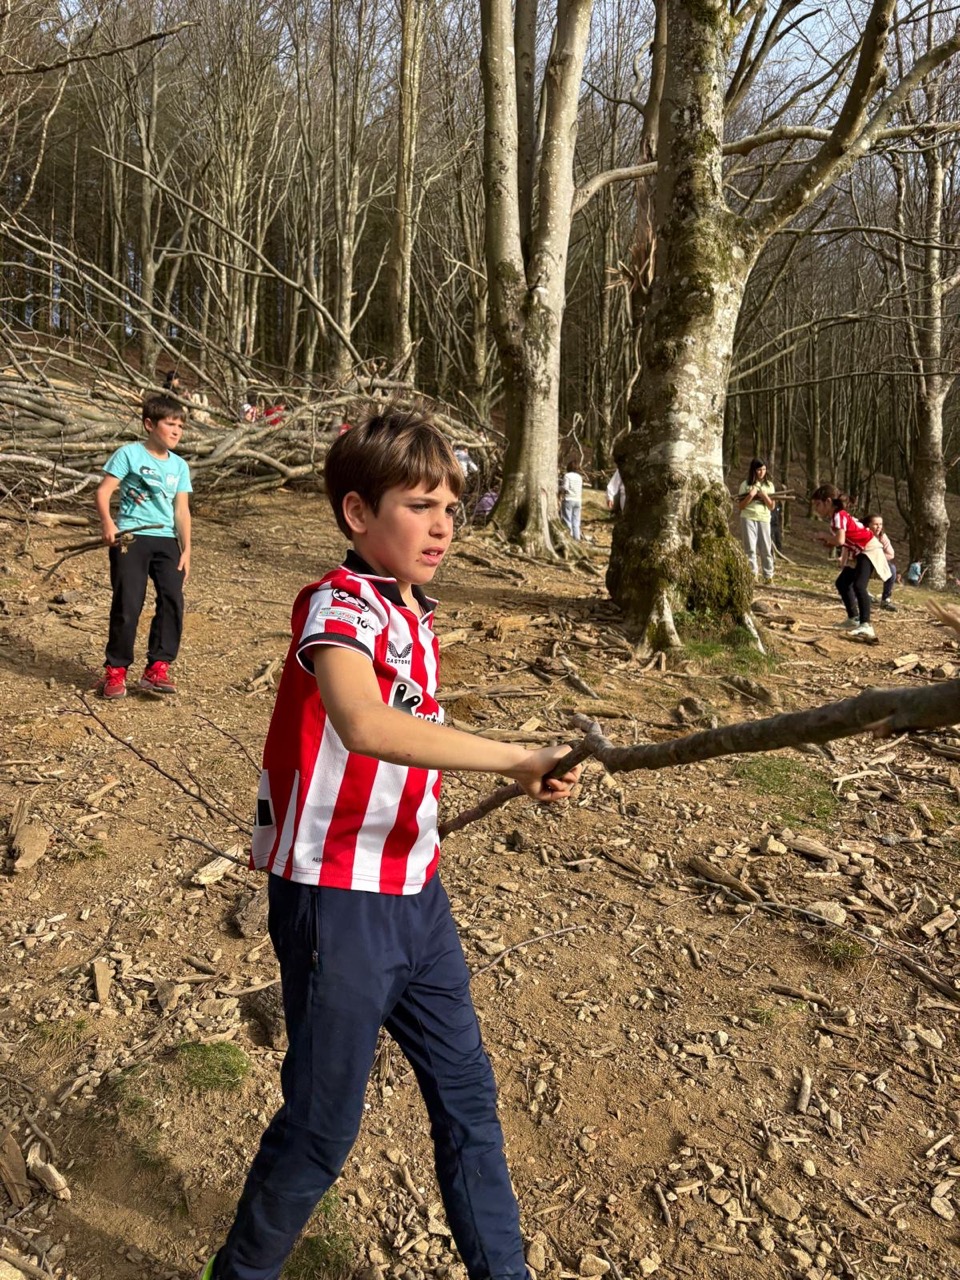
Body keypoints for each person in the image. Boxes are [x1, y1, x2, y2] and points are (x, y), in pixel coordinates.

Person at [198, 406, 581, 1280]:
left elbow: (413, 734)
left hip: (417, 895)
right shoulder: (338, 605)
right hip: (338, 901)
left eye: (451, 506)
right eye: (419, 505)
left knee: (468, 1101)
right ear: (357, 513)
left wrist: (524, 763)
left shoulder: (413, 613)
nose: (443, 525)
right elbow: (364, 724)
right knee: (321, 1128)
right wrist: (515, 758)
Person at [95, 394, 192, 698]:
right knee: (128, 603)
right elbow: (104, 491)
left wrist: (187, 549)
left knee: (172, 600)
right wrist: (108, 523)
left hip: (167, 540)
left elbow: (181, 510)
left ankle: (157, 668)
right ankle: (116, 670)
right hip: (131, 537)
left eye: (180, 426)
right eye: (170, 424)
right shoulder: (129, 454)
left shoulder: (180, 466)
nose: (176, 431)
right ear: (150, 424)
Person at [810, 484, 891, 641]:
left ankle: (866, 625)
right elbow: (844, 539)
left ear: (828, 502)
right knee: (842, 582)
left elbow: (840, 540)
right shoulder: (837, 516)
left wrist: (824, 536)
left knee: (859, 586)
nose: (816, 509)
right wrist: (829, 541)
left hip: (868, 549)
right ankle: (853, 618)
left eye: (818, 504)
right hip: (858, 551)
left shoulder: (838, 516)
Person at [737, 458, 776, 584]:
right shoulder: (745, 485)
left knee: (765, 548)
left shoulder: (769, 485)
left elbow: (772, 506)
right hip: (748, 517)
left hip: (764, 518)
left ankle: (768, 576)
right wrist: (751, 495)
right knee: (750, 548)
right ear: (753, 470)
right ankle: (752, 575)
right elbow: (741, 506)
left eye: (764, 469)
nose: (762, 472)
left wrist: (764, 496)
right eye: (759, 469)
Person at [866, 514, 897, 611]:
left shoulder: (882, 537)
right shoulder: (862, 533)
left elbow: (891, 554)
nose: (878, 527)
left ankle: (886, 599)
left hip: (878, 563)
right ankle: (861, 594)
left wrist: (876, 557)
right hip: (862, 562)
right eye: (876, 524)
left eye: (880, 524)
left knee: (892, 569)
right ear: (868, 524)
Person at [560, 463, 583, 540]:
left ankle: (569, 537)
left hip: (569, 499)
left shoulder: (567, 476)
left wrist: (558, 488)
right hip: (578, 500)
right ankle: (577, 538)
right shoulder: (579, 477)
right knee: (576, 521)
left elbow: (565, 487)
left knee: (567, 520)